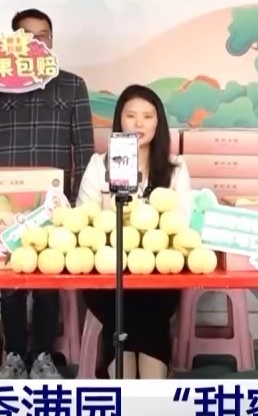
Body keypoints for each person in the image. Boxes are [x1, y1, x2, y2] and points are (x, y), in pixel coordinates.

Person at [0, 8, 95, 379]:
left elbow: (84, 149)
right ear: (14, 43)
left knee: (46, 281)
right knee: (11, 282)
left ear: (52, 41)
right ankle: (13, 357)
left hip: (53, 203)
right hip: (7, 202)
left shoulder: (72, 85)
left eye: (44, 35)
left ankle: (41, 356)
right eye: (29, 36)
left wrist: (77, 203)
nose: (38, 42)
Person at [77, 85, 191, 379]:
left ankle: (131, 386)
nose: (139, 123)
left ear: (158, 123)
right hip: (108, 275)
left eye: (148, 117)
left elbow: (183, 222)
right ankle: (135, 386)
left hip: (157, 277)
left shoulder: (176, 170)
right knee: (121, 303)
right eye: (131, 116)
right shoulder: (98, 166)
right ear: (120, 121)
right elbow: (83, 220)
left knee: (146, 305)